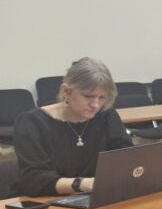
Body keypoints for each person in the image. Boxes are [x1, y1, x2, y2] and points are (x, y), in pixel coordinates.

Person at [13, 57, 132, 197]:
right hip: (46, 200)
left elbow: (126, 157)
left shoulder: (106, 115)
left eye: (102, 98)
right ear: (66, 91)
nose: (95, 105)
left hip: (95, 197)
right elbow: (34, 180)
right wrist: (82, 184)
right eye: (88, 96)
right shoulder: (32, 122)